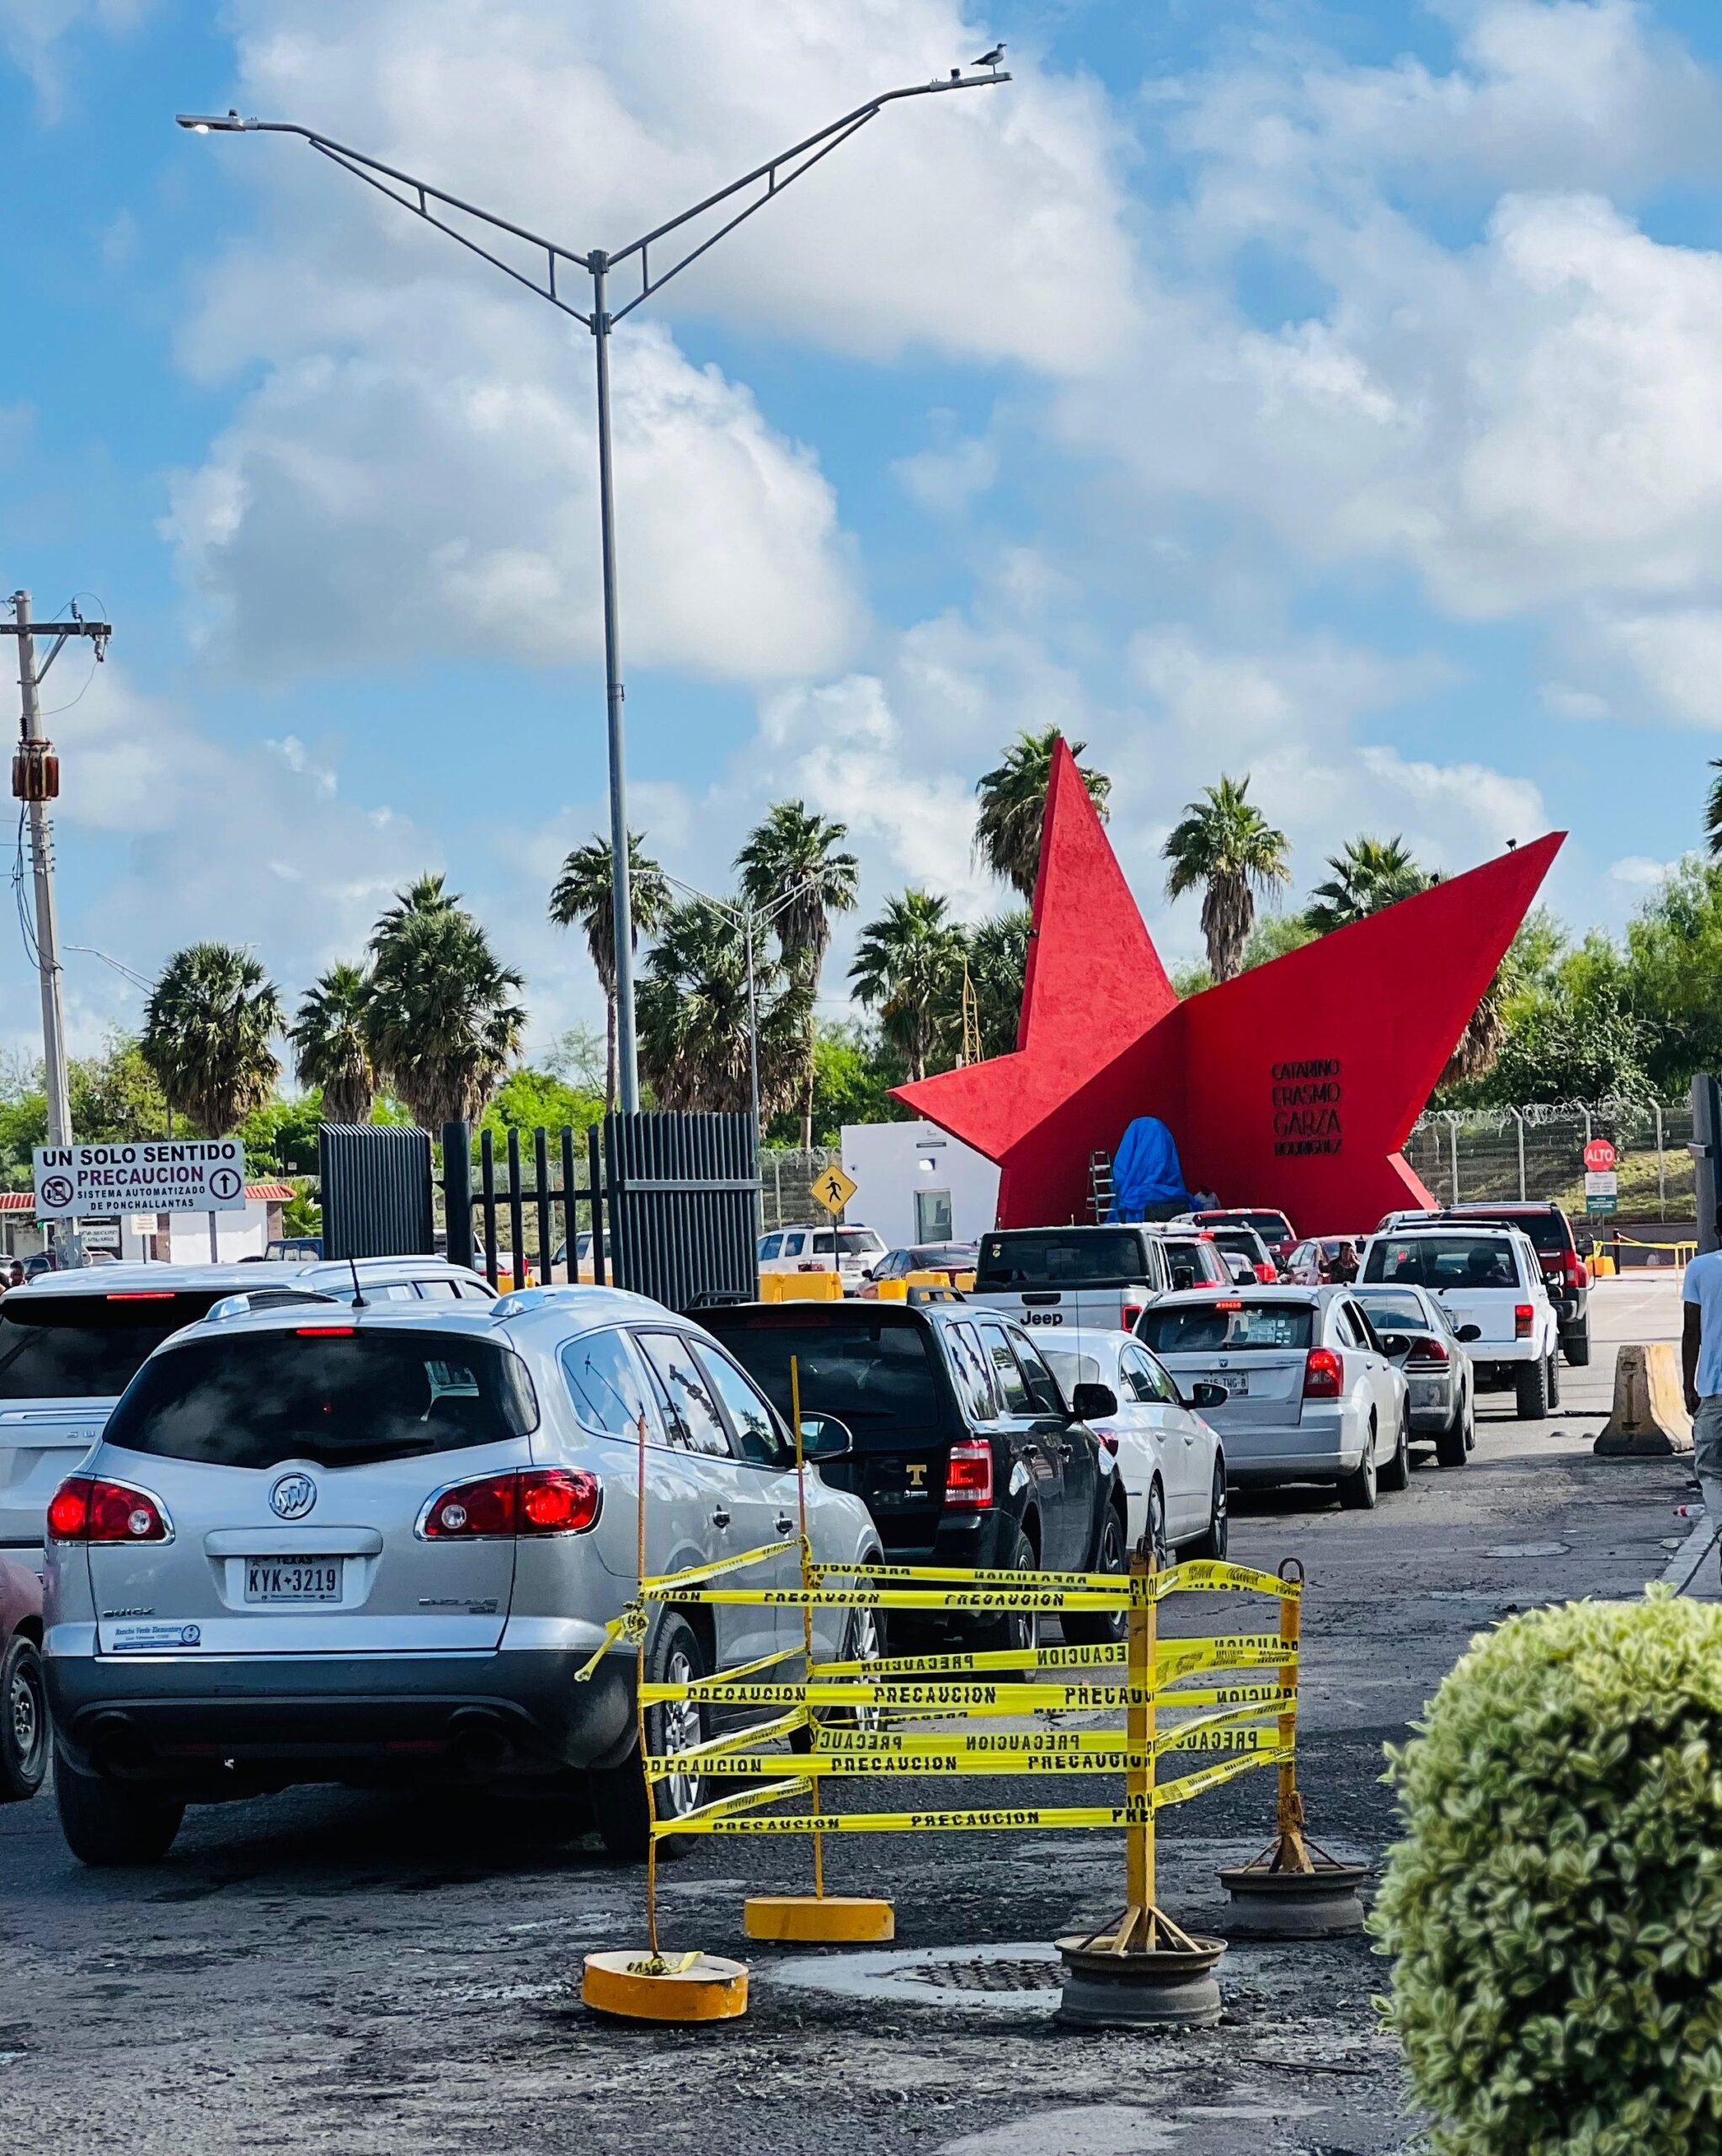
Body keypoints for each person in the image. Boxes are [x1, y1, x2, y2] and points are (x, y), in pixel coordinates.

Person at [1682, 1219, 1722, 1577]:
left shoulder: (1700, 1268)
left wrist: (1687, 1385)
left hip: (1713, 1390)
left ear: (1717, 1231)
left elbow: (1691, 1329)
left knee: (1710, 1470)